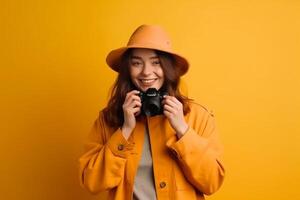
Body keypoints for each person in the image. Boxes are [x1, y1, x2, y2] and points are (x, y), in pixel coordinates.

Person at [78, 24, 225, 200]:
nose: (146, 72)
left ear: (168, 68)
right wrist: (124, 131)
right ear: (127, 68)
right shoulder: (108, 119)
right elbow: (92, 182)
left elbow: (212, 182)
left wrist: (182, 130)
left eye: (156, 62)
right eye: (137, 63)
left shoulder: (198, 116)